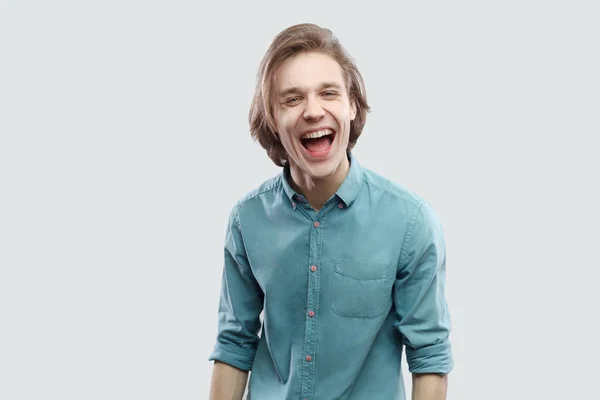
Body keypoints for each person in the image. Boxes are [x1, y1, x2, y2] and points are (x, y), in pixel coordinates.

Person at [208, 23, 453, 400]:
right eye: (292, 99)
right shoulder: (247, 221)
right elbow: (234, 343)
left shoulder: (410, 222)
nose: (313, 111)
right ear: (273, 117)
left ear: (351, 105)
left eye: (328, 93)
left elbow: (429, 356)